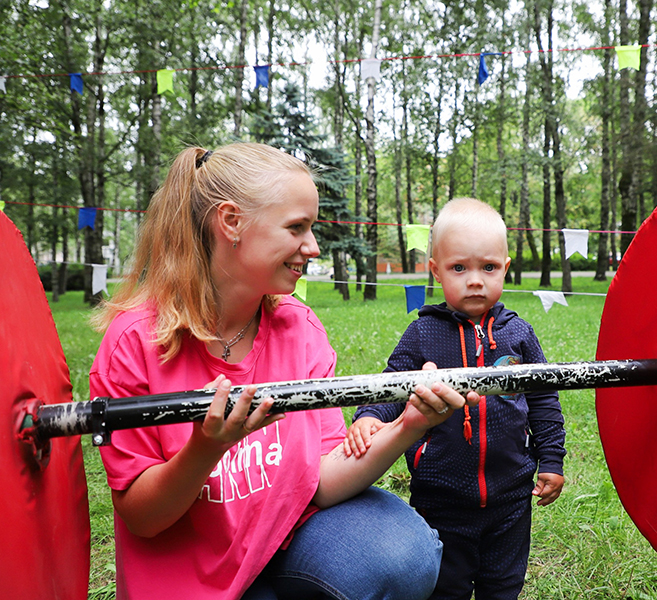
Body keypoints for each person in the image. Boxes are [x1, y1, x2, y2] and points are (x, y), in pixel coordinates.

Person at [89, 142, 479, 600]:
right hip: (194, 581)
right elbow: (144, 518)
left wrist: (412, 423)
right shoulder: (134, 343)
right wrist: (206, 448)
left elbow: (323, 481)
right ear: (231, 222)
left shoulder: (299, 326)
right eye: (296, 228)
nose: (312, 247)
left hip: (286, 543)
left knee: (403, 557)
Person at [344, 198, 567, 600]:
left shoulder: (519, 335)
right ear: (435, 271)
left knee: (503, 585)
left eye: (489, 267)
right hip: (441, 497)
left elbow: (544, 398)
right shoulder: (423, 334)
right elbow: (393, 383)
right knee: (445, 588)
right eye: (459, 268)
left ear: (505, 267)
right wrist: (370, 415)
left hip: (512, 496)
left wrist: (551, 459)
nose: (476, 280)